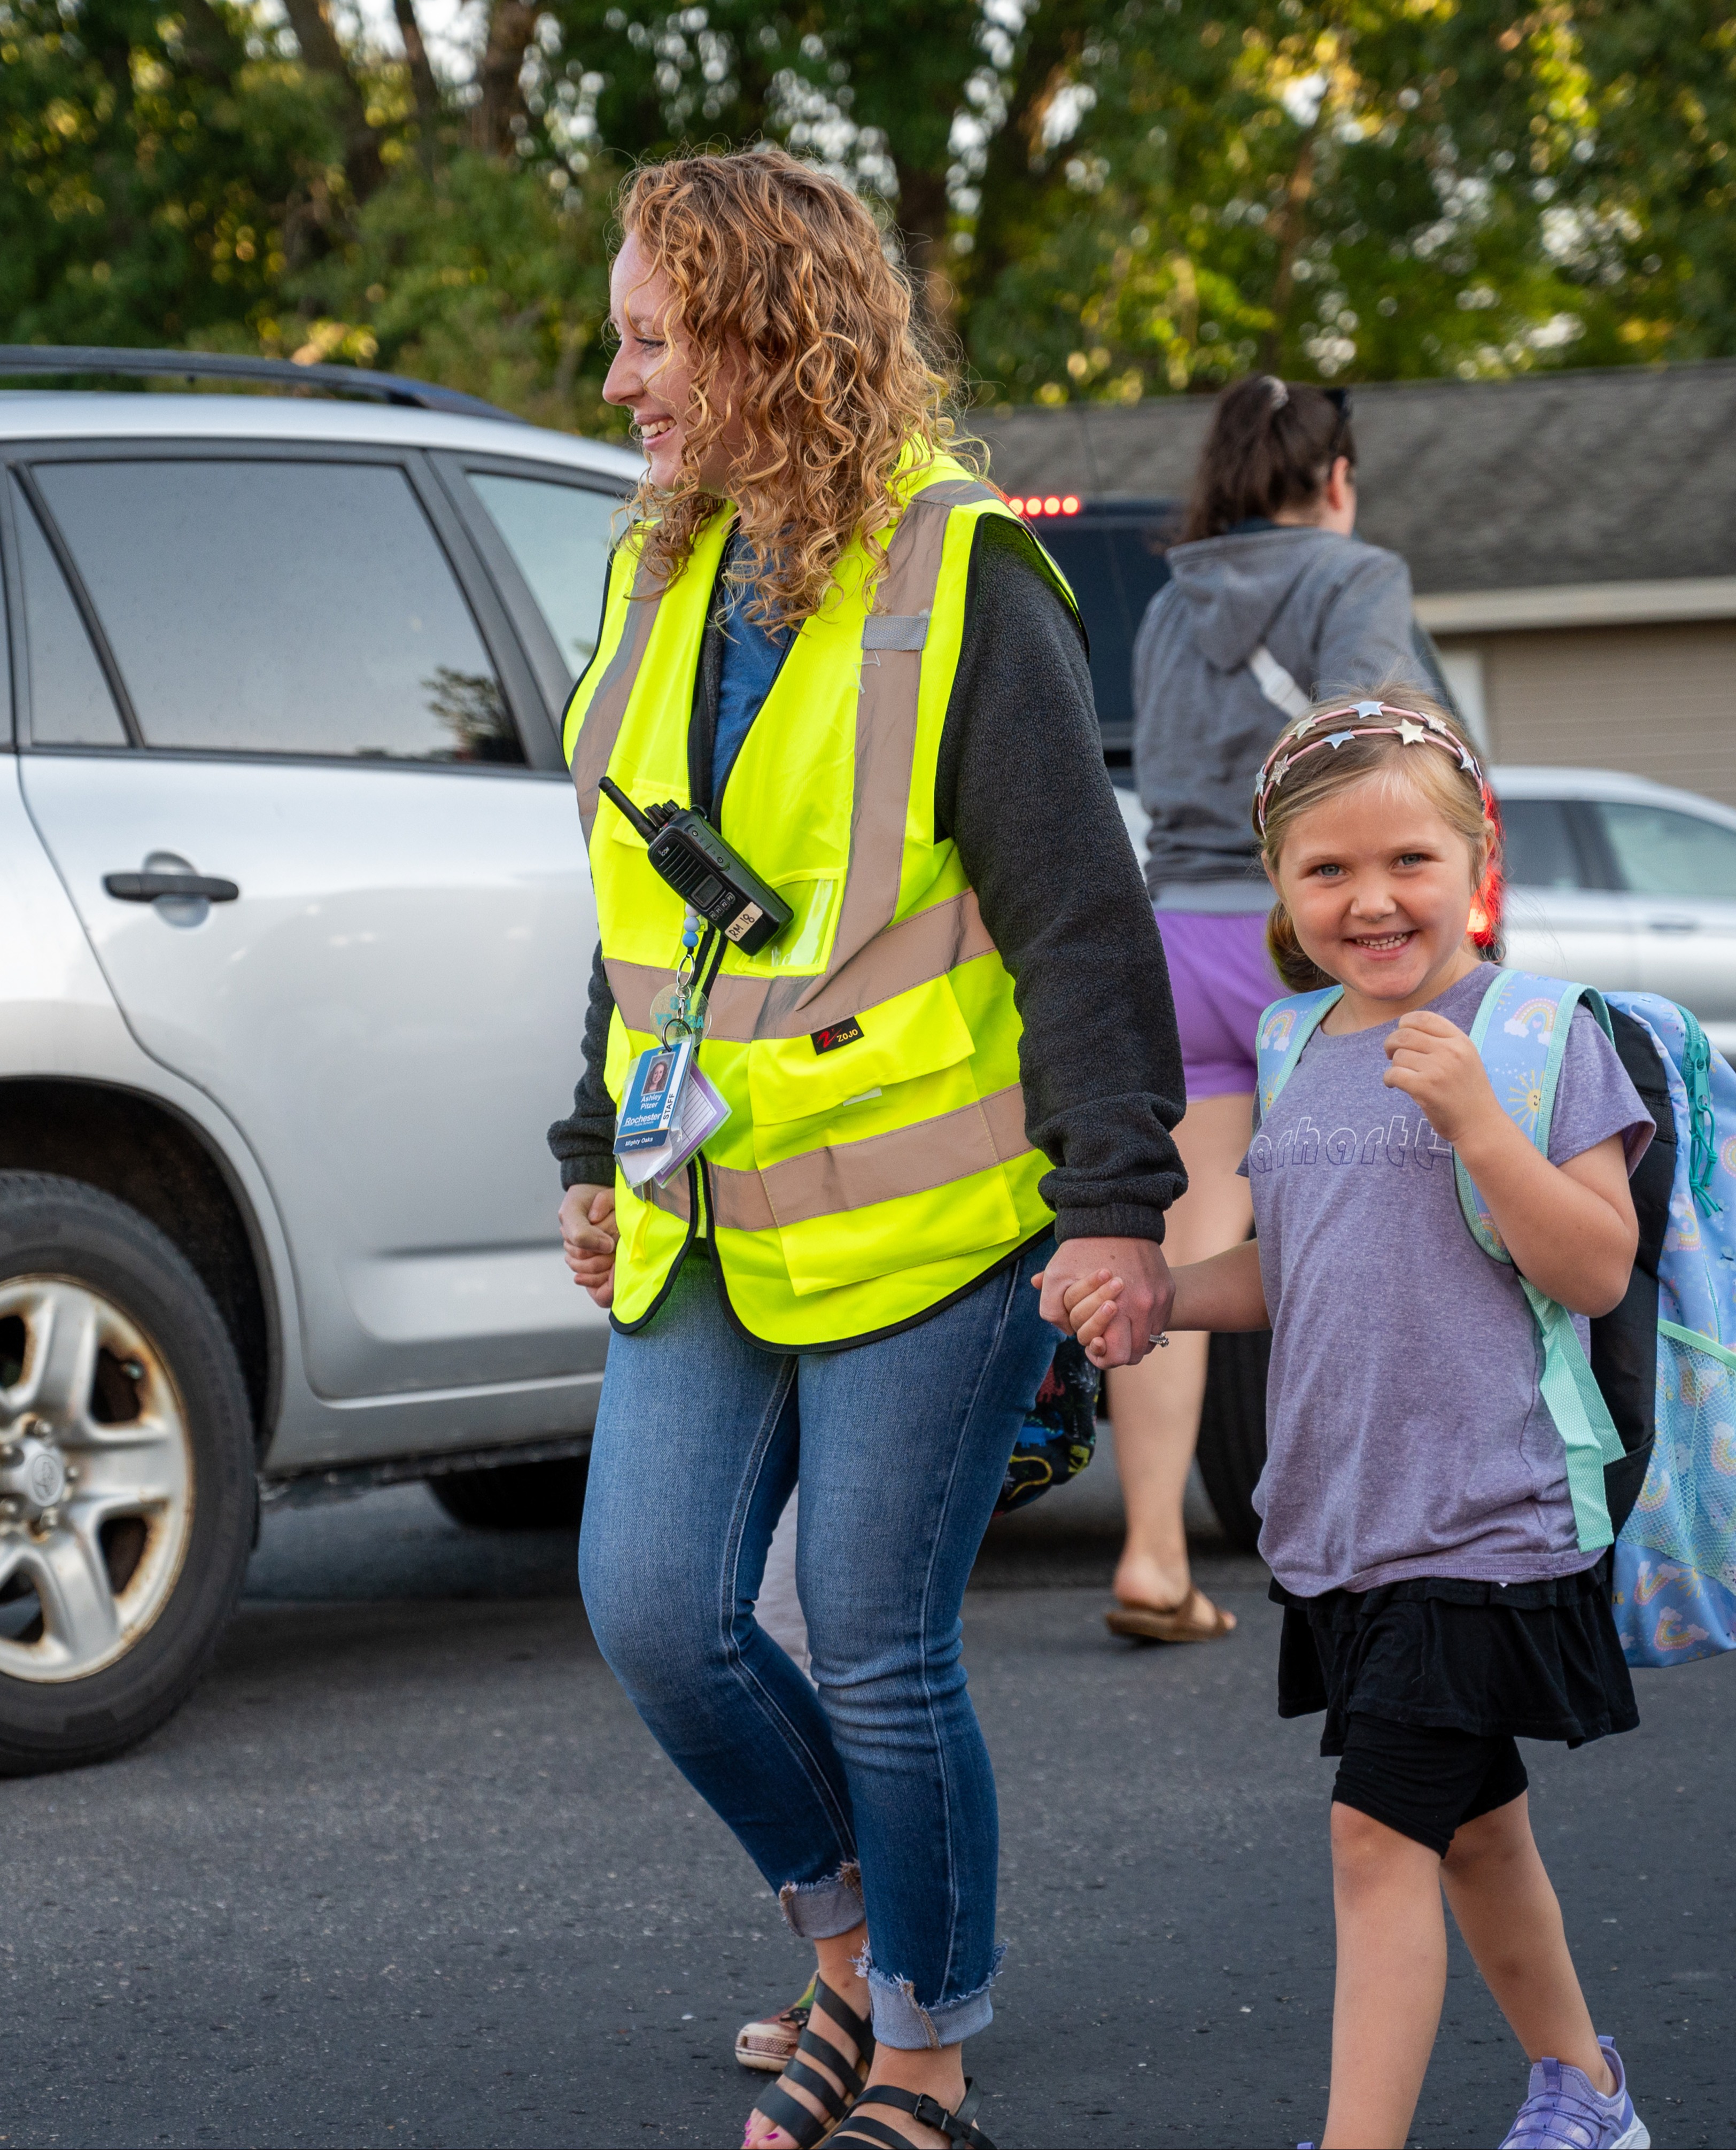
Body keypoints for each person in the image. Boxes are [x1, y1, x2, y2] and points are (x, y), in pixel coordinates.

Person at [547, 149, 1185, 2150]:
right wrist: (594, 1136)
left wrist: (1115, 1203)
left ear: (762, 332)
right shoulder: (657, 565)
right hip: (706, 1202)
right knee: (655, 1607)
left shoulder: (960, 570)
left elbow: (1081, 917)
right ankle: (841, 1940)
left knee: (883, 1646)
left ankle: (920, 2041)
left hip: (936, 1215)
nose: (623, 381)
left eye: (654, 337)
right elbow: (648, 902)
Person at [1050, 687, 1656, 2150]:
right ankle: (1588, 2094)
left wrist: (1482, 1126)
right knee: (1471, 1828)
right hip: (1345, 1523)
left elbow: (1593, 1263)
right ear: (1277, 884)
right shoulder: (1294, 1044)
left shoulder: (1539, 1035)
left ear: (1476, 862)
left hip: (1487, 1515)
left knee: (1378, 1838)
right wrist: (1168, 1302)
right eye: (1327, 871)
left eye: (1409, 865)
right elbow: (1302, 1263)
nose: (1371, 901)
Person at [1107, 374, 1437, 1643]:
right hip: (1293, 936)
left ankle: (1149, 1552)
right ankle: (1385, 1536)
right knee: (1387, 1221)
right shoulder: (1358, 578)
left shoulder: (1169, 598)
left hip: (1174, 938)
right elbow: (1366, 742)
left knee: (1185, 1258)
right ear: (1334, 476)